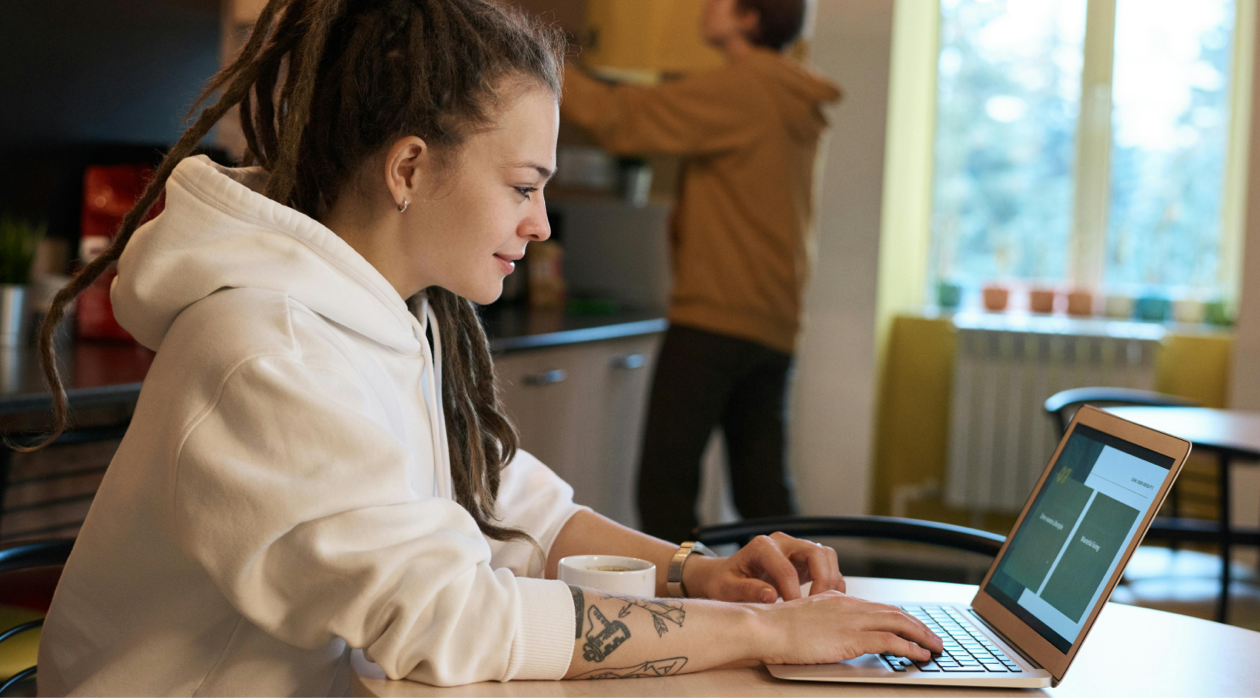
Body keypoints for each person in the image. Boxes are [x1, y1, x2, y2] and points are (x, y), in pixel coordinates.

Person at [32, 1, 936, 695]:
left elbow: (505, 499)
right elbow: (453, 622)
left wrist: (694, 571)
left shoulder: (387, 312)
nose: (540, 223)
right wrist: (765, 635)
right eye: (521, 187)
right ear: (411, 168)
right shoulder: (270, 351)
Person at [560, 0, 843, 544]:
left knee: (664, 489)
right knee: (764, 495)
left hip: (713, 318)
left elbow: (623, 119)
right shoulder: (788, 92)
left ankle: (687, 613)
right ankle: (806, 603)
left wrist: (536, 56)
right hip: (773, 321)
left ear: (748, 19)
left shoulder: (743, 88)